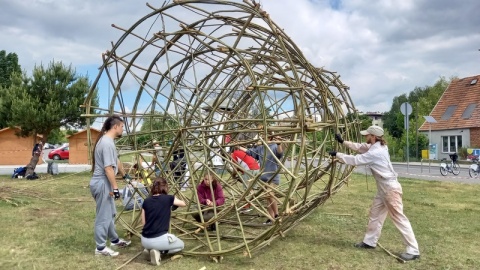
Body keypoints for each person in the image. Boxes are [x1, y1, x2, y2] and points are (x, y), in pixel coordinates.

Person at [329, 126, 420, 261]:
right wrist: (343, 142)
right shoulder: (377, 146)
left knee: (399, 218)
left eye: (367, 135)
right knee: (375, 214)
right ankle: (369, 242)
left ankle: (413, 250)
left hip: (390, 189)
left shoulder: (376, 152)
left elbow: (356, 160)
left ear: (373, 136)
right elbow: (360, 147)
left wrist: (338, 154)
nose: (365, 137)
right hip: (383, 189)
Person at [90, 115, 132, 257]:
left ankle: (114, 240)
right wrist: (115, 188)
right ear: (115, 126)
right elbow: (108, 168)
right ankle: (100, 248)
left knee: (111, 213)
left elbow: (117, 161)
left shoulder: (109, 142)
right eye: (121, 127)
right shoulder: (106, 143)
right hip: (102, 183)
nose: (122, 129)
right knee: (103, 216)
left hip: (105, 182)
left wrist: (125, 175)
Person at [238, 131, 284, 225]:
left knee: (270, 194)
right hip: (263, 178)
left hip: (272, 177)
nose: (262, 136)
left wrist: (279, 144)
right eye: (262, 135)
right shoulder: (260, 148)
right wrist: (238, 147)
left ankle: (276, 215)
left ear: (270, 137)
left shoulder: (274, 146)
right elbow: (250, 152)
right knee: (268, 199)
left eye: (264, 135)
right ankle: (270, 218)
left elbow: (280, 154)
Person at [141, 177, 186, 265]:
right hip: (159, 239)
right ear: (165, 187)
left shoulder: (146, 201)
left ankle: (149, 250)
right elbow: (183, 203)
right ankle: (158, 252)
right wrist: (173, 200)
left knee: (155, 242)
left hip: (144, 240)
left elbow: (143, 223)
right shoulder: (169, 199)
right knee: (181, 245)